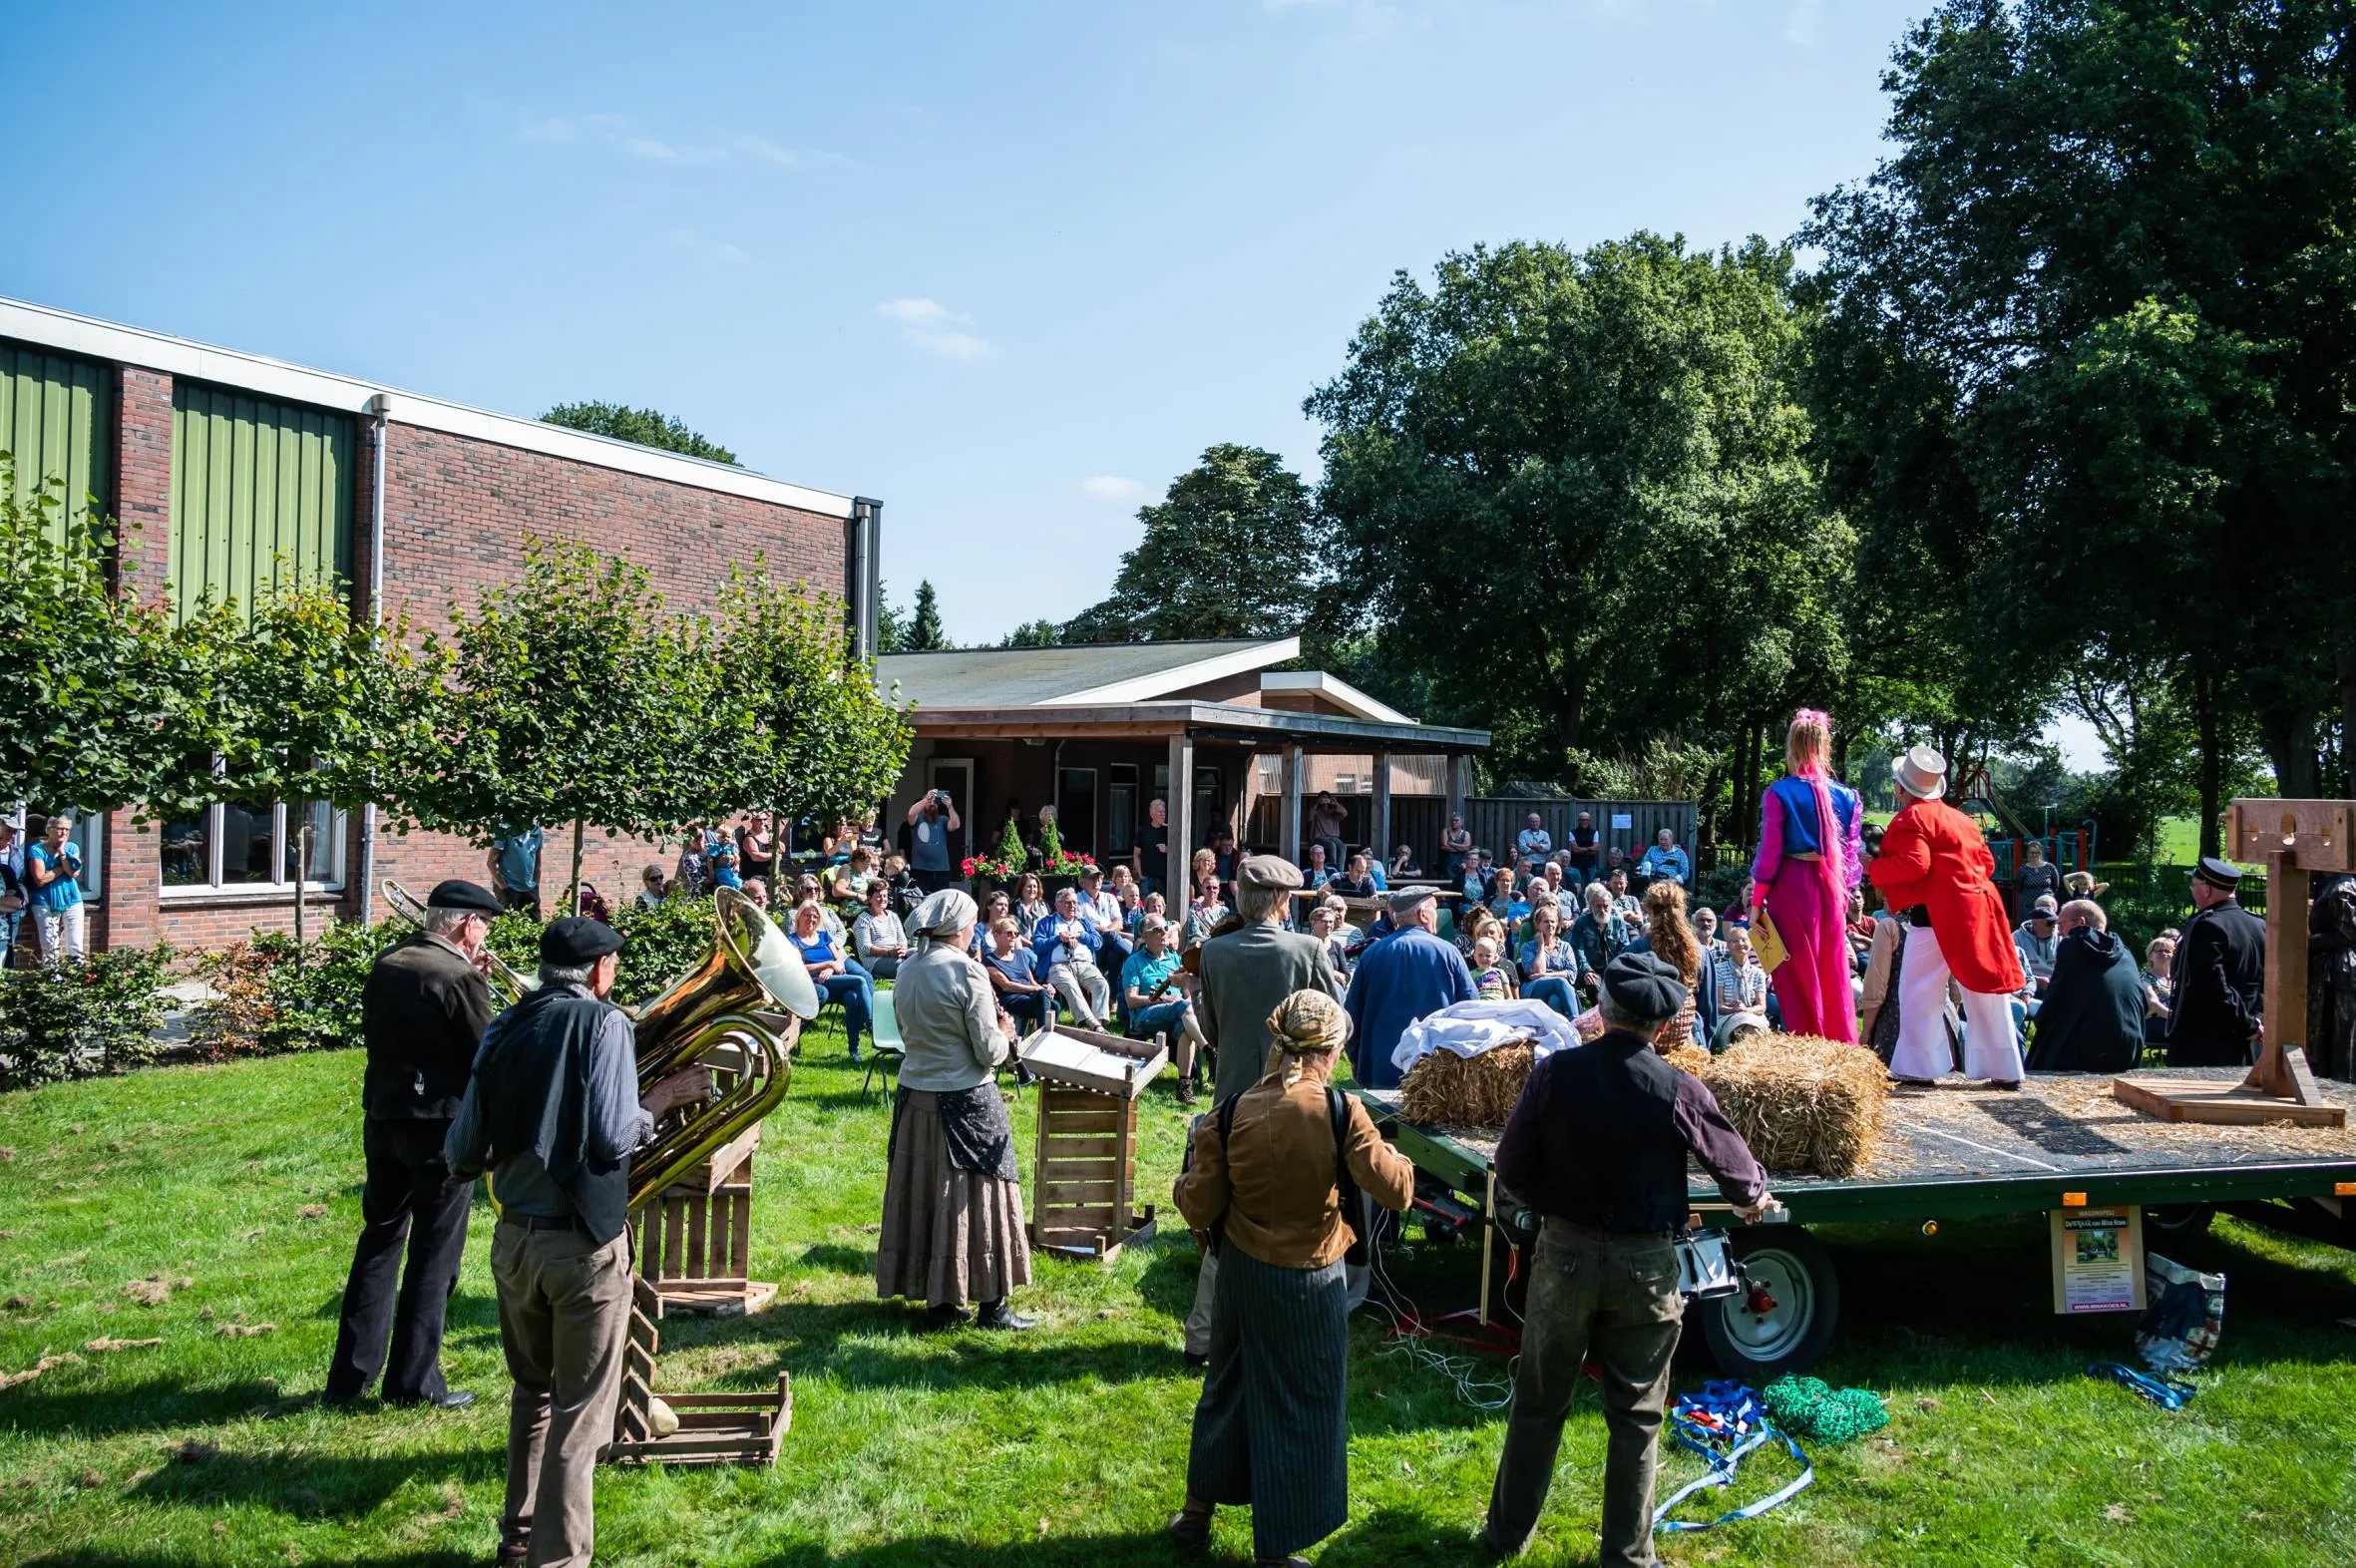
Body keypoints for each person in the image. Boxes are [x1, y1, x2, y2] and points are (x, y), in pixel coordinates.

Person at [1479, 953, 1772, 1567]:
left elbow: (1509, 1166)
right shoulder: (1676, 1085)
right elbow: (1736, 1168)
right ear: (1662, 1026)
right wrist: (1753, 1197)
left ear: (1604, 1012)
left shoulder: (1555, 1074)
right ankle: (1629, 1556)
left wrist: (1547, 1206)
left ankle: (1506, 1536)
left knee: (1539, 1401)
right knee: (1638, 1415)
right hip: (1646, 1266)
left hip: (1564, 1255)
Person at [443, 917, 713, 1568]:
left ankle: (517, 1543)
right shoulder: (606, 1023)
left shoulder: (506, 1025)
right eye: (612, 966)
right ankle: (560, 1561)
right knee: (578, 1414)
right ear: (599, 971)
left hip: (513, 1245)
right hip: (583, 1249)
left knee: (532, 1396)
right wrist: (665, 1096)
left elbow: (459, 1151)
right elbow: (615, 1135)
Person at [1167, 989, 1414, 1567]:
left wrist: (1182, 1184)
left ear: (1278, 1043)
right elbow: (1396, 1191)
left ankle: (1196, 1516)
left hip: (1244, 1274)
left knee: (1226, 1386)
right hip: (1313, 1279)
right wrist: (1397, 1155)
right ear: (1329, 1049)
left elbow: (1198, 1208)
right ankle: (1275, 1550)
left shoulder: (1228, 1113)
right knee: (1302, 1404)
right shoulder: (1340, 1112)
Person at [324, 879, 502, 1410]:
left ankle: (350, 1378)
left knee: (378, 1243)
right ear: (468, 924)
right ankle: (413, 1383)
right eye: (484, 926)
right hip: (438, 1129)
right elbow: (486, 1052)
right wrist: (481, 989)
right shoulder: (457, 975)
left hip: (384, 1118)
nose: (485, 937)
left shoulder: (389, 961)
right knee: (433, 1255)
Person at [1186, 855, 1344, 1363]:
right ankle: (1288, 1330)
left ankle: (1204, 1336)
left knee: (1227, 1214)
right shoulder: (1309, 949)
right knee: (1305, 1212)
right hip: (1298, 1099)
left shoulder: (1214, 953)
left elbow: (1208, 1030)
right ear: (1281, 900)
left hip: (1231, 1098)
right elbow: (1339, 1025)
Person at [879, 889, 1035, 1332]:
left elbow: (908, 1031)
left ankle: (941, 1302)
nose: (973, 933)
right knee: (982, 1194)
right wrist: (1007, 1034)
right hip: (965, 1097)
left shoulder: (907, 968)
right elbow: (988, 1051)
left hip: (915, 1095)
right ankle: (993, 1305)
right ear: (960, 929)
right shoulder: (967, 973)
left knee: (925, 1193)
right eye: (971, 925)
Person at [1867, 744, 2026, 1086]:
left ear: (1900, 788)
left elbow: (1915, 864)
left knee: (1918, 990)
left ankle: (1919, 1067)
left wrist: (1874, 867)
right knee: (1985, 988)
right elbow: (1987, 863)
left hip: (1937, 913)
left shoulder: (1912, 817)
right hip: (1980, 908)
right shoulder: (1962, 819)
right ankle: (2005, 1069)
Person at [1749, 708, 1863, 1041]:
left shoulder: (1779, 793)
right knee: (1832, 970)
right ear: (1823, 746)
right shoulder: (1846, 796)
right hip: (1830, 888)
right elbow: (1851, 856)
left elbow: (1769, 854)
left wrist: (1757, 903)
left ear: (1793, 746)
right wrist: (1845, 896)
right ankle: (1839, 1042)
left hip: (1792, 887)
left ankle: (1806, 1039)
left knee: (1795, 971)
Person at [1345, 886, 1475, 1091]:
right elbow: (1470, 1009)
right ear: (1423, 914)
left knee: (1381, 1121)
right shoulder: (1448, 953)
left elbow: (1353, 1012)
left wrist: (1356, 1057)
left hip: (1382, 1065)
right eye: (1435, 909)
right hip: (1435, 1067)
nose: (1437, 915)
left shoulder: (1373, 953)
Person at [2163, 857, 2266, 1067]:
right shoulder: (2258, 925)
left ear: (2206, 890)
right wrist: (2255, 1021)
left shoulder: (2207, 926)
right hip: (2249, 1041)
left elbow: (2213, 986)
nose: (2192, 891)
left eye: (2194, 885)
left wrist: (2246, 1024)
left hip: (2208, 1044)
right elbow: (2266, 983)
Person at [2026, 900, 2146, 1071]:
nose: (2058, 932)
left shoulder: (2073, 946)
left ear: (2080, 922)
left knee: (2039, 1057)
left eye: (2061, 924)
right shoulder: (2125, 953)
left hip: (2087, 1052)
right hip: (2128, 1050)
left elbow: (2053, 1005)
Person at [1122, 914, 1209, 1101]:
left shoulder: (1174, 959)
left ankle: (1184, 1086)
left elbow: (1186, 995)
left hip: (1179, 1012)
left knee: (1186, 1025)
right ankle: (1209, 1050)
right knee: (1184, 1009)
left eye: (1165, 928)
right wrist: (1157, 1000)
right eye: (1157, 930)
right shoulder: (1134, 962)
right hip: (1146, 1014)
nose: (1164, 932)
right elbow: (1131, 1001)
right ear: (1145, 936)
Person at [790, 899, 874, 1061]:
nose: (811, 919)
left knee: (853, 997)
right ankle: (871, 1025)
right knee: (859, 981)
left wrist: (830, 968)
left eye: (815, 916)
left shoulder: (824, 936)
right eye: (807, 915)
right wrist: (827, 964)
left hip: (833, 979)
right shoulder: (793, 940)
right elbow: (798, 968)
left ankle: (854, 1051)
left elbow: (839, 962)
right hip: (811, 982)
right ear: (799, 917)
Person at [1033, 886, 1112, 1030]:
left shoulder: (1083, 923)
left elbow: (1098, 942)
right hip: (1058, 966)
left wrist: (1080, 935)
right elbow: (1037, 946)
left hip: (1084, 964)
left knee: (1101, 985)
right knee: (1071, 986)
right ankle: (1092, 1024)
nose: (1072, 906)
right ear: (1057, 905)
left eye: (1075, 902)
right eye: (1068, 902)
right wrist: (1058, 938)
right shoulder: (1046, 922)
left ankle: (1099, 1024)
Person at [24, 814, 86, 963]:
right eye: (59, 829)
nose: (63, 833)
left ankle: (77, 977)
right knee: (50, 946)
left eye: (67, 830)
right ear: (48, 830)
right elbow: (40, 879)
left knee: (76, 945)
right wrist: (62, 868)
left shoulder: (72, 847)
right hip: (44, 901)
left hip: (72, 899)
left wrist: (63, 854)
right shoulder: (37, 850)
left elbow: (73, 873)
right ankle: (53, 979)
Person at [982, 916, 1052, 1036]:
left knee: (1054, 1004)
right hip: (1011, 998)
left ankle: (1045, 1036)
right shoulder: (990, 960)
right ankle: (1044, 1039)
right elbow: (1006, 986)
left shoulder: (1021, 955)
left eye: (1016, 933)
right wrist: (1037, 989)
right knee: (1042, 997)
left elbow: (1032, 982)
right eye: (1009, 933)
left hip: (1030, 995)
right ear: (996, 935)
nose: (1013, 936)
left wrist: (1045, 988)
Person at [1516, 899, 1585, 1019]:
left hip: (1561, 990)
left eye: (1553, 921)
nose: (1550, 925)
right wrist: (1541, 945)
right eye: (1546, 922)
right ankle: (1576, 1021)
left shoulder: (1565, 947)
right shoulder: (1527, 947)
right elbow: (1536, 971)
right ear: (1538, 924)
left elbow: (1572, 974)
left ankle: (1560, 1031)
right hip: (1535, 988)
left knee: (1555, 1000)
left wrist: (1545, 974)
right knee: (1561, 981)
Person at [1709, 926, 1771, 1050]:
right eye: (1735, 941)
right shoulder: (1718, 970)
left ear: (1751, 945)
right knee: (1741, 1024)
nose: (1740, 944)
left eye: (1744, 940)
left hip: (1753, 1015)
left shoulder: (1758, 973)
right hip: (1726, 1016)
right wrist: (1734, 1010)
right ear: (1728, 946)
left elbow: (1761, 1006)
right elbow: (1718, 1005)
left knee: (1750, 1025)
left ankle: (1747, 1052)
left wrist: (1746, 1010)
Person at [1570, 883, 1627, 992]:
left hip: (1613, 969)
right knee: (1594, 984)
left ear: (1611, 906)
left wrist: (1617, 969)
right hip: (1591, 969)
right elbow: (1578, 950)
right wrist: (1586, 971)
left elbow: (1624, 948)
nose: (1602, 910)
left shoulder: (1618, 922)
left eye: (1605, 906)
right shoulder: (1582, 923)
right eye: (1598, 906)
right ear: (1591, 907)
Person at [854, 878, 914, 980]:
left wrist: (902, 949)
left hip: (895, 954)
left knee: (919, 954)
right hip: (875, 960)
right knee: (909, 966)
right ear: (869, 899)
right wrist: (889, 952)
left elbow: (902, 938)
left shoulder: (892, 916)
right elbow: (865, 948)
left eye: (885, 896)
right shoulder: (863, 919)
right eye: (878, 896)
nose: (883, 899)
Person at [906, 789, 963, 895]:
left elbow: (955, 824)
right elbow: (911, 814)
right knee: (919, 900)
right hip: (920, 869)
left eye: (935, 801)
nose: (932, 803)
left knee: (941, 900)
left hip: (941, 870)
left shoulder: (943, 820)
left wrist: (950, 806)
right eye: (929, 801)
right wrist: (926, 799)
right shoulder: (918, 819)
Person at [2014, 895, 2062, 1008]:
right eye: (2049, 924)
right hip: (2027, 985)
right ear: (2034, 923)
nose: (2054, 927)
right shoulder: (2016, 938)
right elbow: (2012, 971)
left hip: (2055, 983)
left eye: (2055, 922)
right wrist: (2037, 980)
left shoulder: (2061, 937)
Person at [1079, 865, 1131, 970]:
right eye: (1092, 878)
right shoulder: (1076, 900)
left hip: (1112, 943)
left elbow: (1119, 922)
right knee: (1112, 937)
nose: (1096, 881)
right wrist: (1108, 932)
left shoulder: (1110, 897)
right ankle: (1136, 959)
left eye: (1098, 878)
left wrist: (1107, 931)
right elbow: (1081, 926)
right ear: (1082, 883)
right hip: (1092, 945)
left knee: (1114, 957)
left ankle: (1114, 986)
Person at [489, 825, 543, 918]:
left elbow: (538, 862)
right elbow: (491, 862)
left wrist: (535, 885)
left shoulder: (536, 830)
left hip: (530, 888)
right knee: (509, 925)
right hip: (508, 888)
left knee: (535, 923)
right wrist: (504, 888)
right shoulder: (504, 828)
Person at [2014, 838, 2063, 922]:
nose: (2034, 855)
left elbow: (2055, 886)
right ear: (2027, 853)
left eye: (2037, 852)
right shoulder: (2022, 869)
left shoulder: (2050, 867)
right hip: (2027, 905)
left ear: (2041, 853)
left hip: (2046, 903)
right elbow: (2018, 887)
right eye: (2032, 852)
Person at [1135, 797, 1172, 898]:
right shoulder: (1143, 830)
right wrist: (1141, 875)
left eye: (1164, 812)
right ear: (1152, 814)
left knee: (1162, 908)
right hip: (1147, 878)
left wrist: (1167, 849)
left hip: (1163, 879)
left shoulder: (1169, 830)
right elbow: (1136, 854)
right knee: (1146, 909)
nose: (1163, 814)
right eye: (1160, 812)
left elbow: (1178, 852)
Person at [0, 820, 25, 967]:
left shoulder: (6, 869)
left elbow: (16, 901)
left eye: (14, 832)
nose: (12, 835)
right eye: (8, 830)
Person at [1306, 789, 1349, 873]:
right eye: (1322, 798)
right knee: (1331, 845)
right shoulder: (1316, 811)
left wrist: (1336, 804)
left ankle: (1339, 872)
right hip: (1318, 837)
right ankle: (1333, 871)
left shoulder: (1334, 811)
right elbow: (1309, 818)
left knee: (1343, 846)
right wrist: (1317, 804)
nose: (1324, 800)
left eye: (1326, 798)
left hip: (1333, 837)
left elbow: (1344, 813)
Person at [2142, 934, 2177, 1026]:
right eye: (2159, 951)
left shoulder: (2178, 978)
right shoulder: (2144, 978)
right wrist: (2178, 1018)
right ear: (2150, 955)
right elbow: (2153, 1003)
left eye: (2167, 951)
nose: (2164, 954)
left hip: (2177, 1024)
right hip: (2155, 1024)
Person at [734, 812, 775, 886]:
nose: (762, 822)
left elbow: (782, 848)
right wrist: (775, 855)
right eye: (759, 820)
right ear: (752, 821)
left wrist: (775, 841)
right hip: (753, 878)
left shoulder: (769, 834)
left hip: (768, 877)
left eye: (764, 819)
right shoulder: (749, 838)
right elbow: (755, 856)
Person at [1469, 935, 1514, 1001]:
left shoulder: (1500, 972)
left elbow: (1509, 997)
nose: (1484, 958)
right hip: (1481, 1006)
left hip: (1498, 1005)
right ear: (1475, 956)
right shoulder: (1470, 975)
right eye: (1480, 955)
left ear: (1494, 957)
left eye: (1488, 956)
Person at [1565, 810, 1601, 888]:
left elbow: (1595, 851)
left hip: (1590, 865)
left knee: (1591, 888)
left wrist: (1580, 849)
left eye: (1587, 820)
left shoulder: (1595, 832)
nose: (1585, 821)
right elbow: (1574, 850)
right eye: (1582, 819)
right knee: (1577, 887)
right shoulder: (1572, 832)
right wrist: (1589, 848)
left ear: (1589, 821)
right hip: (1576, 865)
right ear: (1579, 820)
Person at [673, 829, 712, 898]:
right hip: (700, 896)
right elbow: (699, 881)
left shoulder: (710, 847)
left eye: (701, 838)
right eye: (696, 840)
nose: (700, 842)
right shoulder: (689, 858)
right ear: (689, 841)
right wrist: (711, 870)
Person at [1516, 813, 1554, 878]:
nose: (1534, 823)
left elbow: (1547, 848)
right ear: (1529, 823)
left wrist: (1530, 846)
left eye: (1536, 821)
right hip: (1526, 865)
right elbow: (1522, 848)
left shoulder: (1545, 834)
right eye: (1532, 822)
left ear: (1540, 822)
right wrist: (1540, 849)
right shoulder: (1523, 834)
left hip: (1541, 864)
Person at [1440, 813, 1474, 885]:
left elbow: (1467, 847)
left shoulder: (1466, 833)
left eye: (1456, 820)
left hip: (1462, 862)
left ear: (1461, 822)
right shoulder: (1446, 831)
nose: (1454, 822)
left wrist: (1452, 844)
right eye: (1453, 820)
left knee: (1461, 882)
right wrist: (1461, 848)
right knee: (1448, 884)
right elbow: (1444, 846)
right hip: (1448, 862)